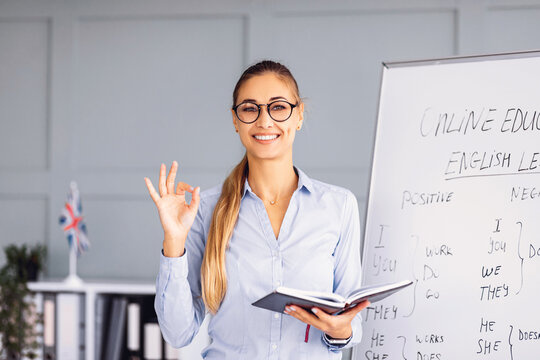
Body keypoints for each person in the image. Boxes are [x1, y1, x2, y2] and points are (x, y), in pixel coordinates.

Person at [144, 60, 369, 359]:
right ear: (235, 120)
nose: (264, 121)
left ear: (298, 115)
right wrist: (173, 242)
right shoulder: (205, 210)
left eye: (278, 107)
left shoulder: (338, 207)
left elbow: (351, 321)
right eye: (250, 109)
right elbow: (178, 332)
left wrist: (340, 330)